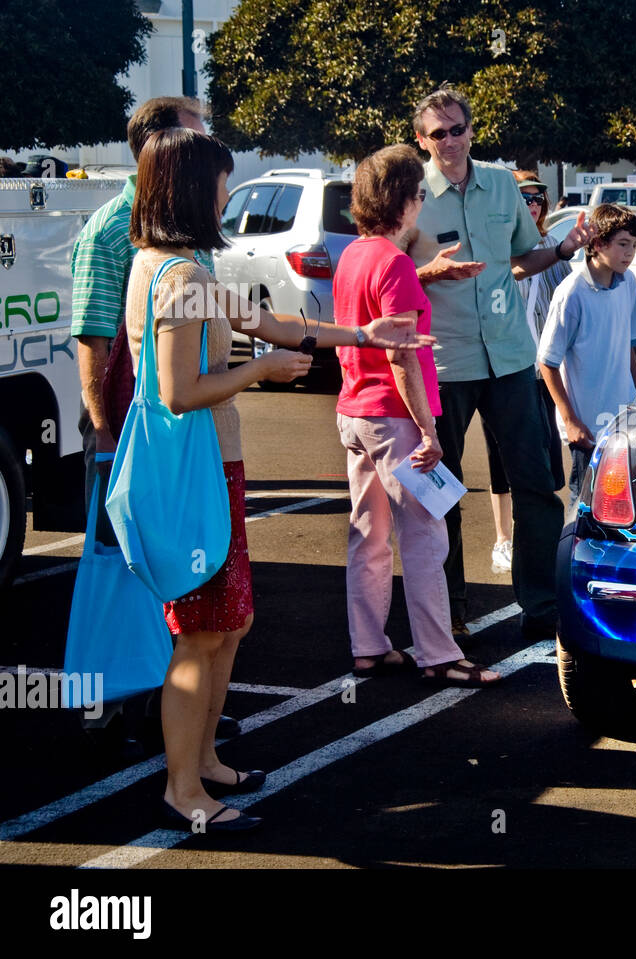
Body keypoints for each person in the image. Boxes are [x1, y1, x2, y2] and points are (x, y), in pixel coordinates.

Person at [125, 128, 433, 830]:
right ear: (191, 188)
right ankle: (185, 789)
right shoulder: (181, 277)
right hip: (199, 469)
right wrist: (259, 371)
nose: (229, 193)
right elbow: (179, 390)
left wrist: (363, 336)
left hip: (210, 466)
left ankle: (201, 760)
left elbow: (269, 322)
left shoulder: (175, 265)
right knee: (202, 632)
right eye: (221, 181)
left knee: (228, 623)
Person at [67, 97, 244, 746]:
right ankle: (126, 708)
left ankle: (176, 715)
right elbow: (91, 338)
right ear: (162, 152)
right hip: (140, 434)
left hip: (182, 437)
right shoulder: (113, 230)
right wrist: (104, 432)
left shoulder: (183, 231)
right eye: (196, 143)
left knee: (182, 589)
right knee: (142, 576)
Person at [407, 85, 594, 641]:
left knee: (536, 485)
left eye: (456, 129)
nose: (449, 140)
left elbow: (523, 257)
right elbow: (386, 276)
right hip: (443, 362)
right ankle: (450, 613)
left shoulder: (500, 186)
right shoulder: (412, 194)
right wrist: (428, 275)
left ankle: (540, 607)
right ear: (421, 139)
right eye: (436, 133)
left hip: (511, 357)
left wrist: (561, 250)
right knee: (440, 490)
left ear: (471, 130)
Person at [334, 145, 500, 687]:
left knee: (370, 533)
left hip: (356, 411)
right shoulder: (394, 262)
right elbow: (402, 354)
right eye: (420, 194)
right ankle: (438, 654)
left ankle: (369, 646)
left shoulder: (355, 255)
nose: (423, 203)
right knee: (426, 536)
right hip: (395, 417)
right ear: (404, 201)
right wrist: (429, 429)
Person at [479, 169, 570, 574]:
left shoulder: (554, 246)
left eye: (538, 198)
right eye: (524, 198)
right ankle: (503, 538)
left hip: (540, 369)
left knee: (549, 456)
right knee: (500, 456)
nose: (532, 205)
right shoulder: (493, 246)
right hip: (497, 366)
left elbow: (567, 300)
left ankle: (552, 538)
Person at [537, 204, 636, 504]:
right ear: (597, 244)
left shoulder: (629, 283)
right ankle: (571, 551)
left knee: (621, 500)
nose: (630, 253)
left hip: (623, 420)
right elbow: (547, 363)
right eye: (623, 244)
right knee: (583, 500)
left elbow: (628, 348)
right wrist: (570, 420)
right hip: (587, 426)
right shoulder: (571, 292)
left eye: (634, 246)